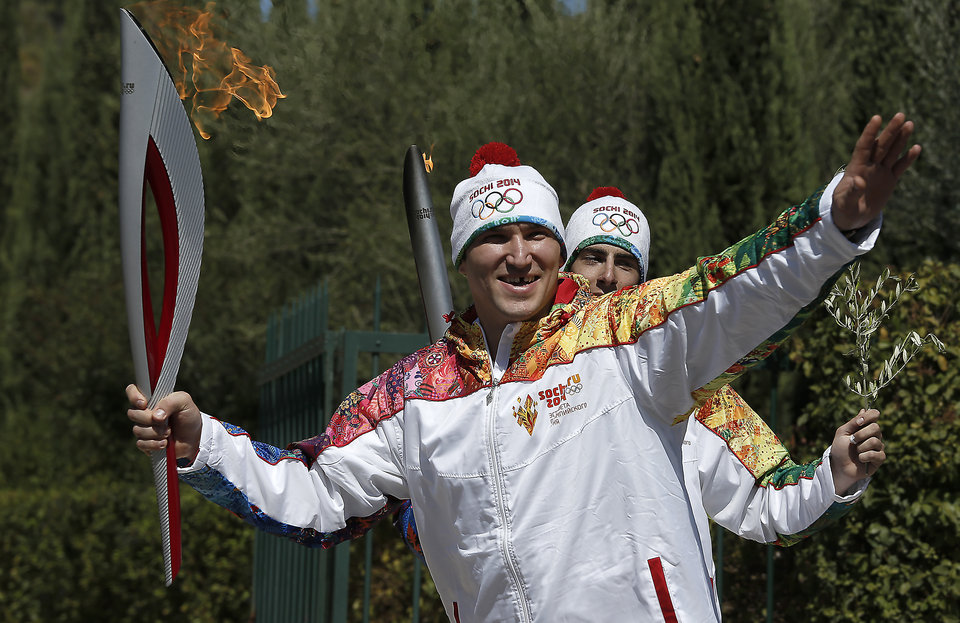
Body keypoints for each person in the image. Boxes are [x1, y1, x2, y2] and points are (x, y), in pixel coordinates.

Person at [128, 114, 918, 622]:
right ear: (464, 257)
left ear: (554, 248)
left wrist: (837, 223)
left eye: (535, 234)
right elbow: (316, 491)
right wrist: (207, 444)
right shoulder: (411, 395)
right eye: (494, 236)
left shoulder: (620, 339)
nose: (518, 253)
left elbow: (730, 288)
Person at [395, 186, 887, 580]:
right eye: (593, 258)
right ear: (564, 267)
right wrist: (437, 513)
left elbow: (768, 502)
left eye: (625, 262)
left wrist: (834, 478)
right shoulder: (483, 389)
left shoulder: (695, 393)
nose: (608, 277)